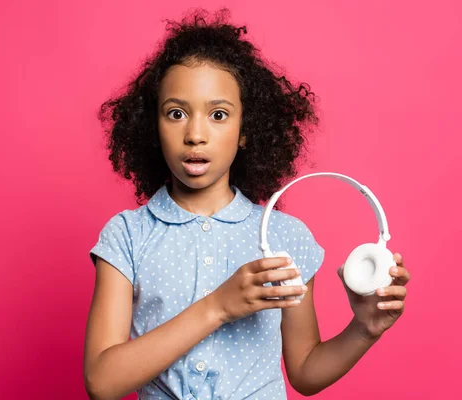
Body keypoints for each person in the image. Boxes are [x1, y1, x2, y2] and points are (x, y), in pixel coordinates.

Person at [83, 9, 410, 400]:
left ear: (245, 132)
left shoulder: (284, 236)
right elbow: (102, 382)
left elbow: (305, 371)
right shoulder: (127, 236)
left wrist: (364, 329)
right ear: (153, 126)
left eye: (218, 114)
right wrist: (218, 307)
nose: (196, 134)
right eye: (176, 113)